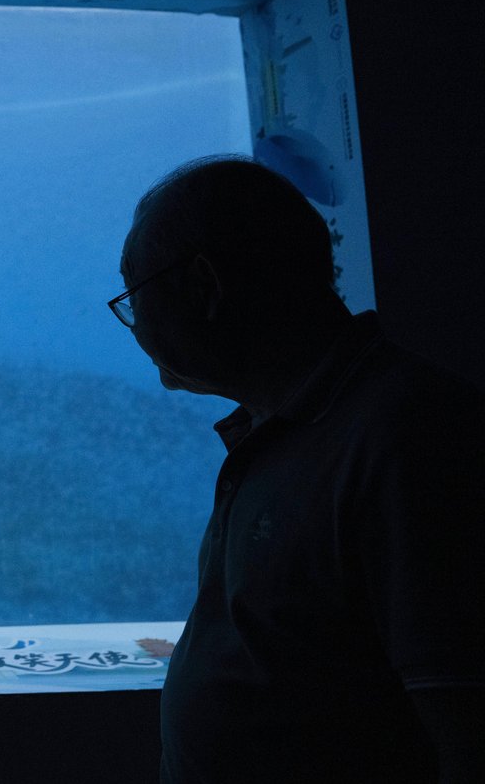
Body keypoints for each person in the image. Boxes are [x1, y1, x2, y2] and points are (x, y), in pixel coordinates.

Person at [111, 155, 484, 783]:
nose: (135, 325)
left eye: (135, 298)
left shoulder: (406, 437)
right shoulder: (281, 433)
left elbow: (466, 723)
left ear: (205, 286)